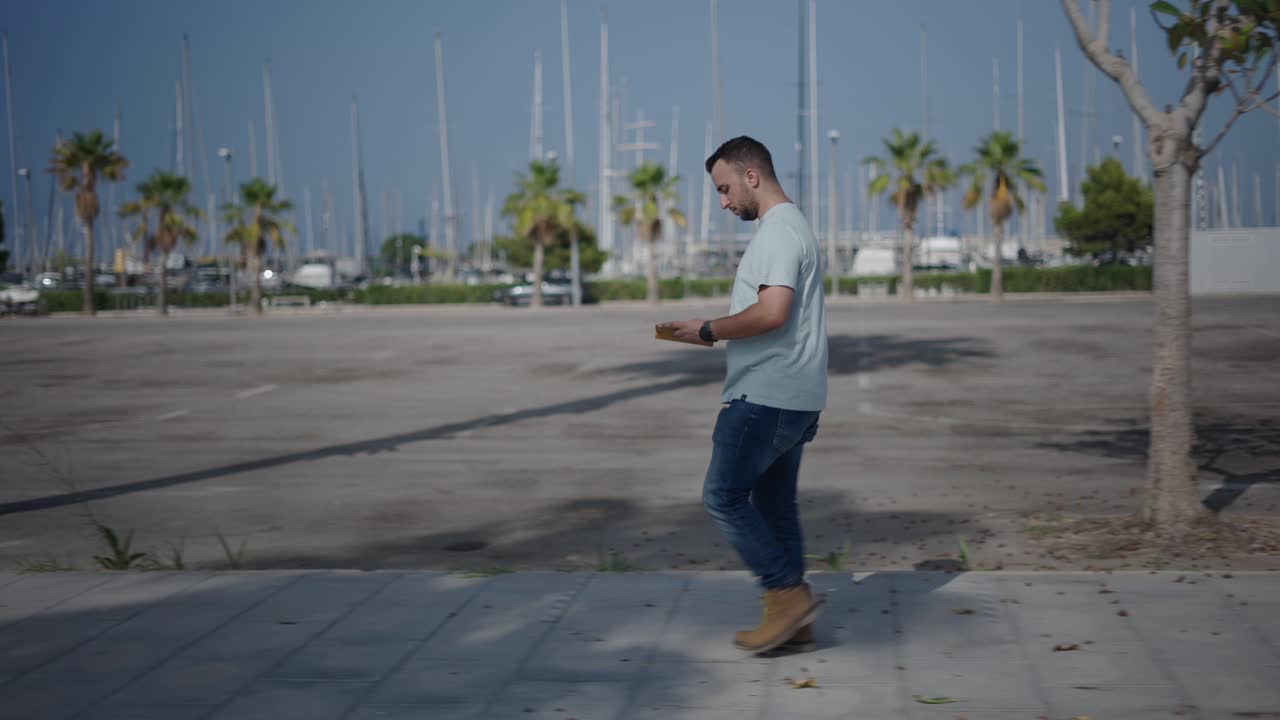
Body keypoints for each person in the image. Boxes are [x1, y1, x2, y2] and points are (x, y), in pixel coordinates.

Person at [659, 136, 828, 655]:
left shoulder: (777, 232)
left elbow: (773, 312)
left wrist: (709, 330)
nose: (724, 201)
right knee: (776, 505)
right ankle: (794, 623)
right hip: (796, 397)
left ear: (752, 176)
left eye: (725, 188)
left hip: (765, 398)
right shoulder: (793, 227)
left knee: (723, 496)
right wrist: (709, 329)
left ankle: (785, 594)